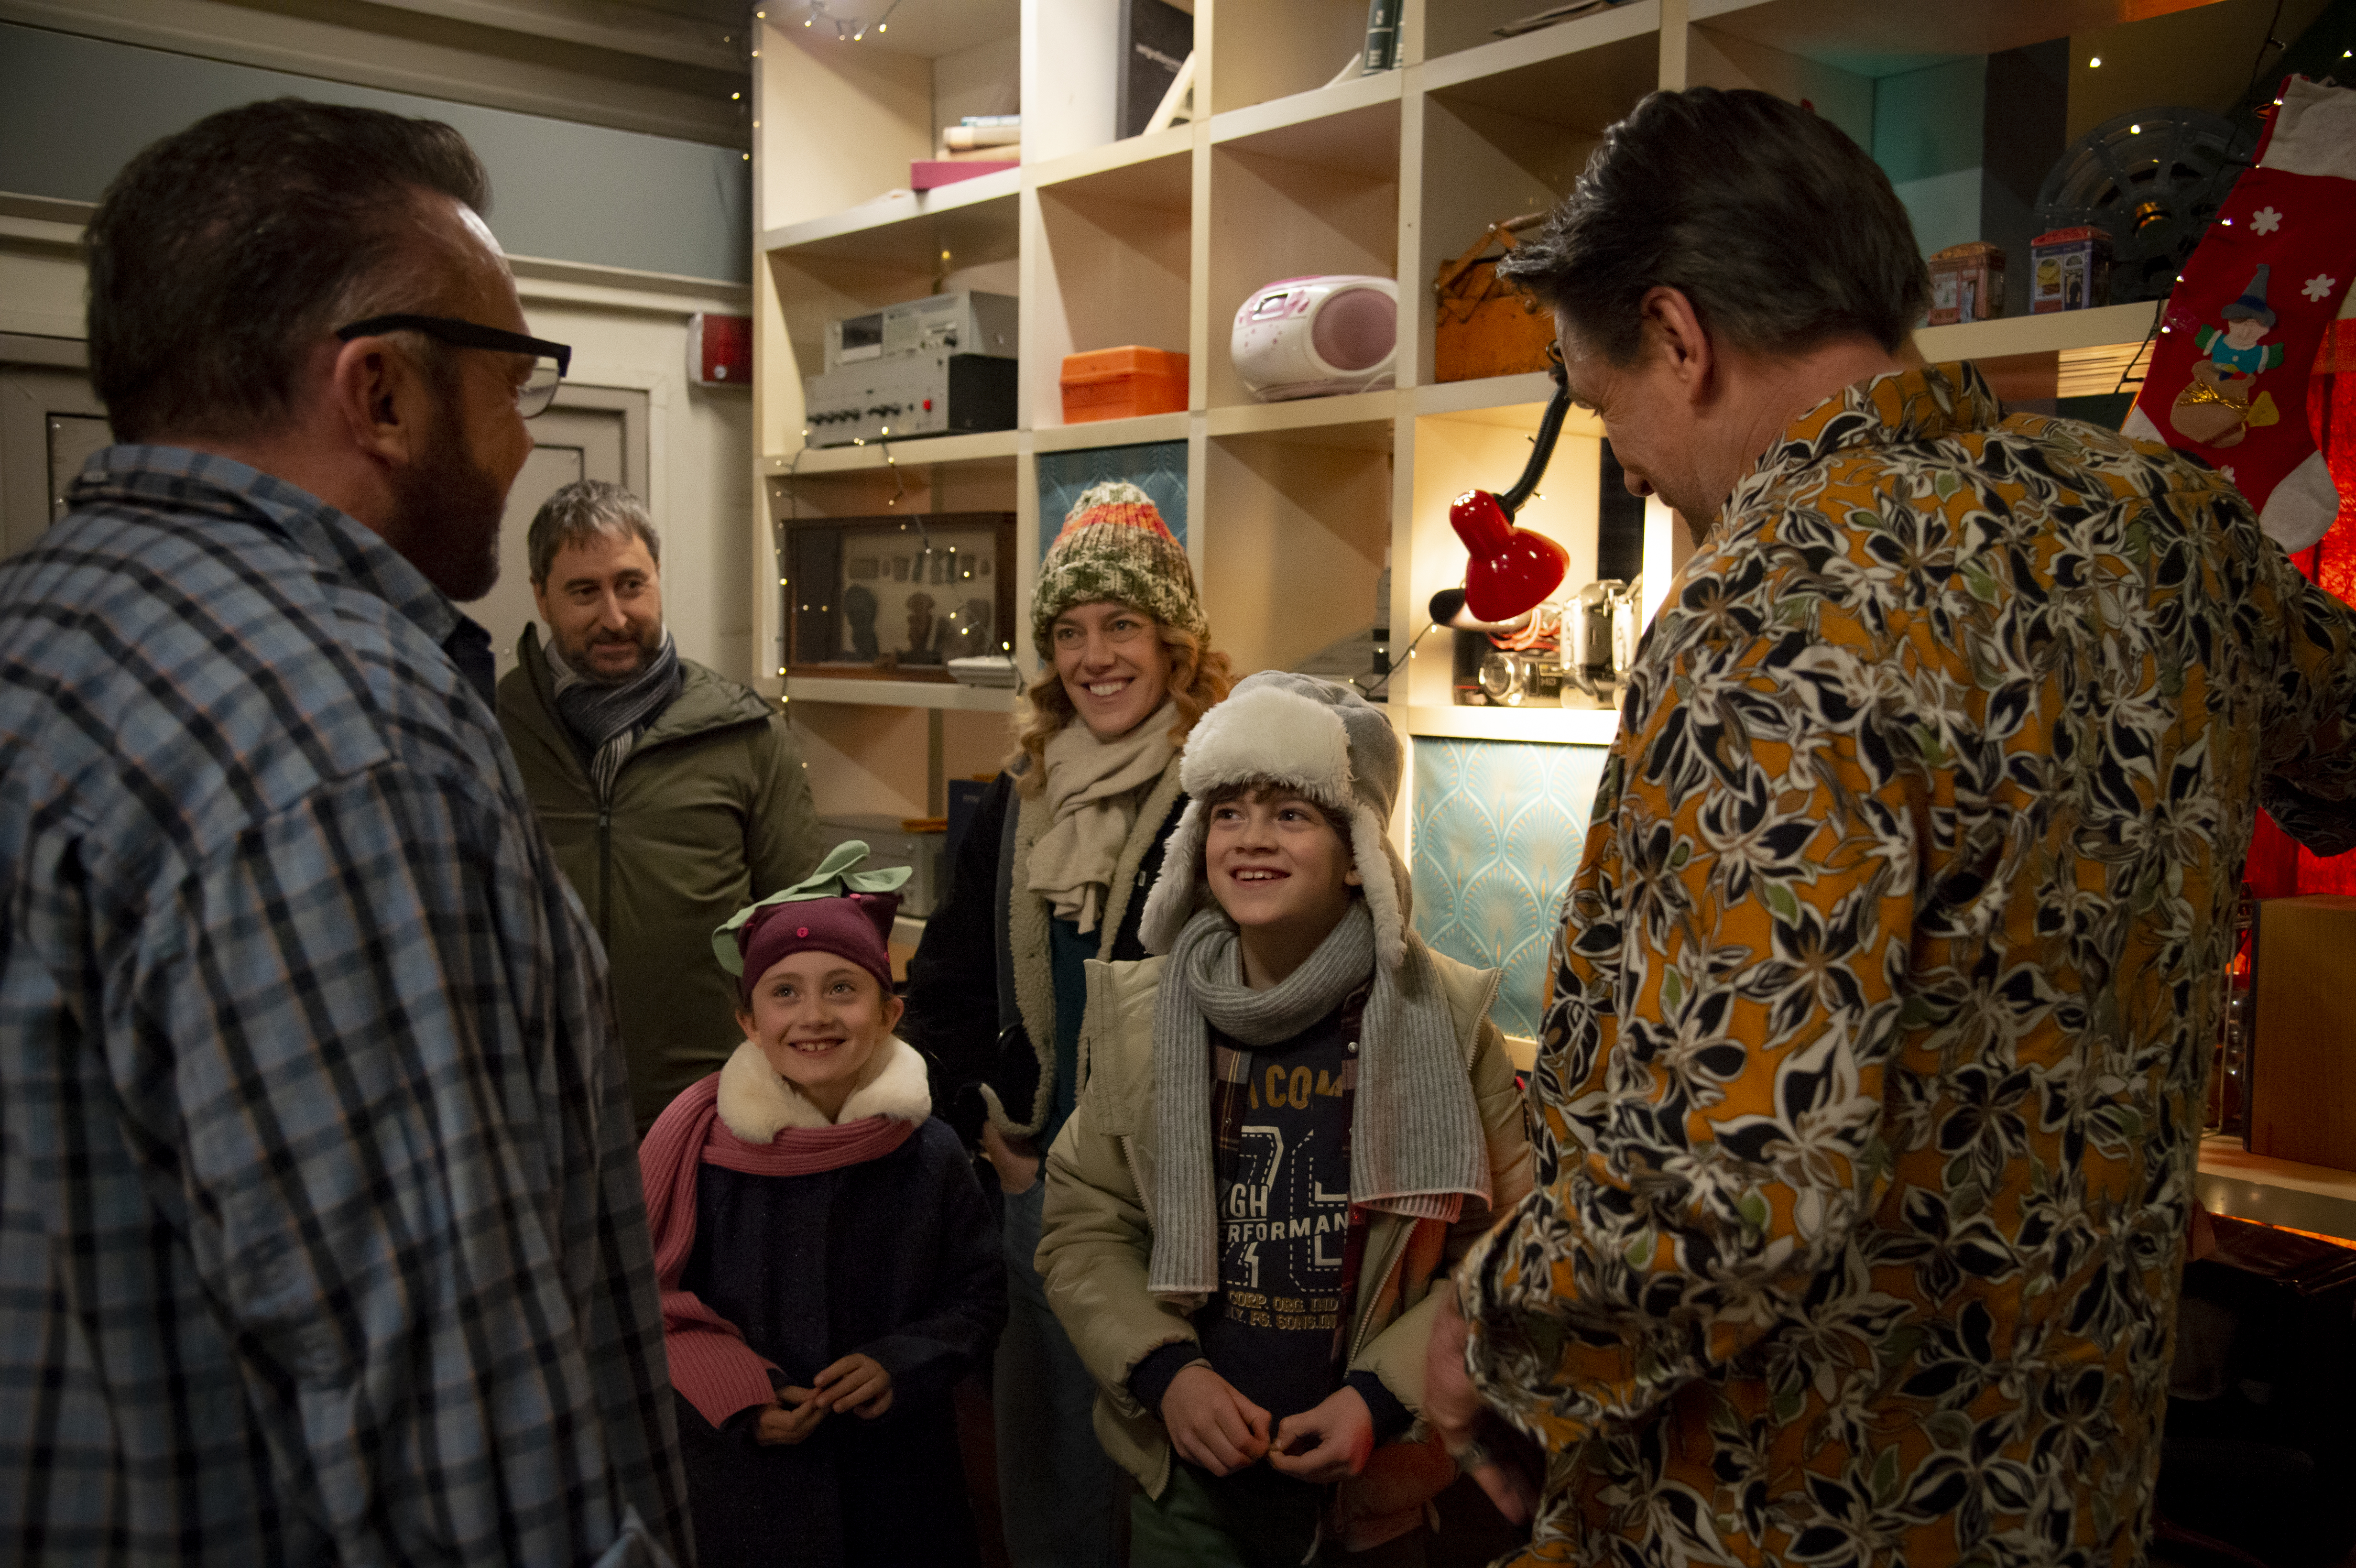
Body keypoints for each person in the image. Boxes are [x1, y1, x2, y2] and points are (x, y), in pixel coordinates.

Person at [1416, 85, 2356, 1567]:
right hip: (2070, 1488)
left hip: (1782, 1511)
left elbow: (1727, 1195)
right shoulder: (2162, 526)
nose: (1633, 464)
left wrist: (1494, 1327)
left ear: (1680, 335)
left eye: (1607, 413)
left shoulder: (1775, 613)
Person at [0, 100, 689, 1563]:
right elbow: (460, 1439)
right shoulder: (341, 739)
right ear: (379, 392)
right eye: (511, 374)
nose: (523, 433)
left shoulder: (40, 637)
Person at [1037, 672, 1534, 1567]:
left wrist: (1380, 1399)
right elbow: (1085, 1226)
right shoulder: (1145, 1017)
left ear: (1357, 855)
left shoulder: (1448, 1025)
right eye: (1228, 812)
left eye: (1292, 814)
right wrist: (1166, 1374)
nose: (1252, 839)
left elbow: (1506, 1249)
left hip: (1373, 1488)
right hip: (1188, 1489)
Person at [900, 479, 1234, 1566]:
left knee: (1178, 1490)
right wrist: (978, 1123)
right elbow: (948, 986)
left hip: (1188, 1200)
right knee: (1049, 1487)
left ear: (1175, 641)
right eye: (1070, 632)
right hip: (1037, 1194)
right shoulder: (1018, 794)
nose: (1095, 655)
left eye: (1121, 625)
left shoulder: (1227, 790)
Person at [639, 843, 1005, 1568]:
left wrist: (900, 1363)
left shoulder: (929, 1154)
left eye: (843, 988)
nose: (814, 1017)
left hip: (899, 1488)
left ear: (890, 1012)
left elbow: (979, 1294)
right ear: (747, 1021)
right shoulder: (702, 1156)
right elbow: (652, 1304)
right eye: (784, 993)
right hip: (743, 1485)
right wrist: (742, 1396)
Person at [500, 479, 826, 1134]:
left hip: (713, 1111)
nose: (614, 618)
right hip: (536, 1112)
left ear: (657, 578)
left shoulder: (746, 734)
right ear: (541, 595)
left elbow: (807, 930)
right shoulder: (488, 729)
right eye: (584, 592)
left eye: (631, 585)